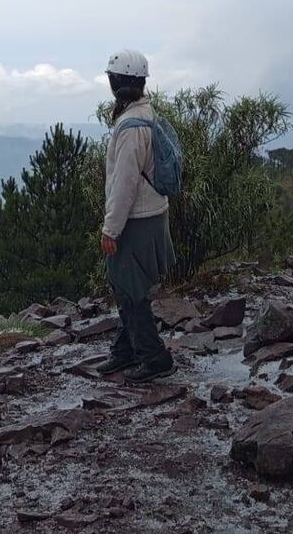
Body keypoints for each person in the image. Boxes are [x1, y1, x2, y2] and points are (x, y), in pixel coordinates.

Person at [95, 49, 177, 383]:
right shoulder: (146, 113)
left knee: (131, 290)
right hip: (152, 214)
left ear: (115, 83)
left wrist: (110, 230)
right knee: (127, 287)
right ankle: (126, 349)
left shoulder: (130, 126)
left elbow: (124, 184)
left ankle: (154, 357)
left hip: (136, 220)